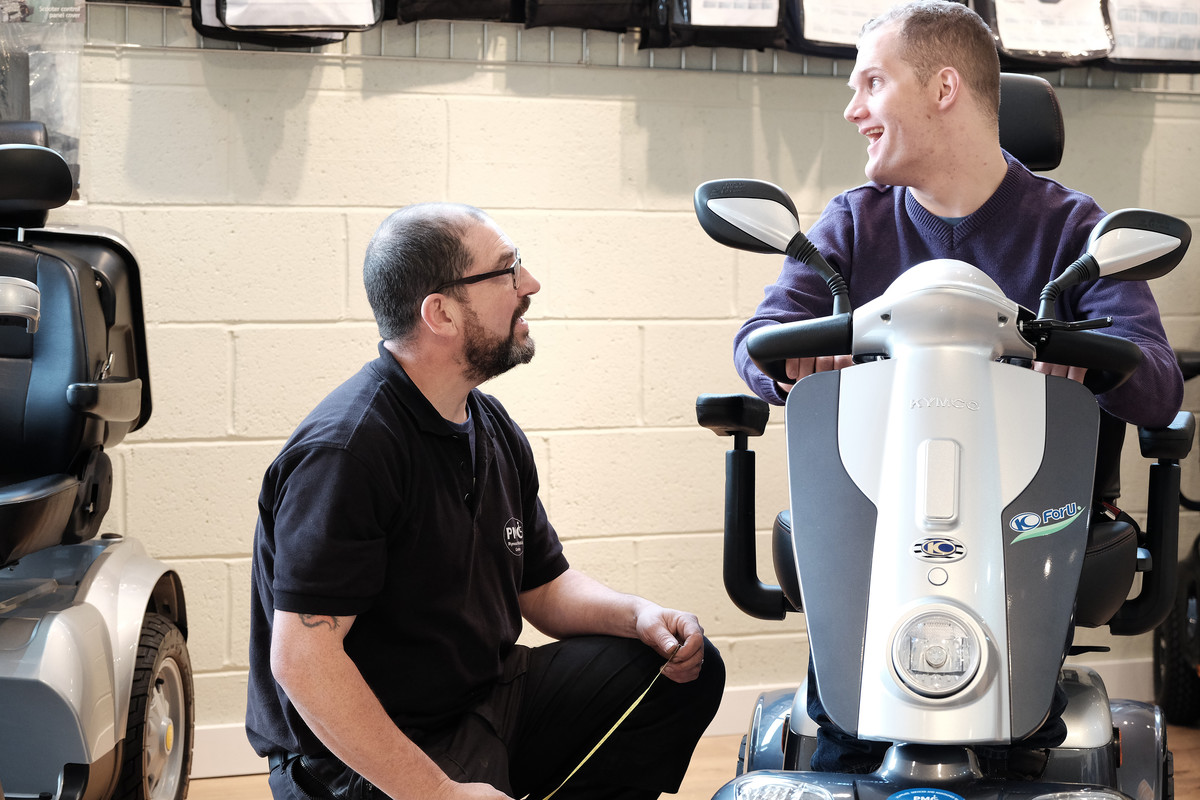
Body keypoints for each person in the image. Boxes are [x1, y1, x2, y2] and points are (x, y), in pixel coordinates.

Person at [732, 0, 1182, 776]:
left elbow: (1157, 378)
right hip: (879, 504)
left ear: (944, 89)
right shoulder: (850, 226)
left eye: (872, 83)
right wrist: (789, 360)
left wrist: (1100, 356)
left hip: (1030, 510)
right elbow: (758, 340)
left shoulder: (1074, 232)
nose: (852, 109)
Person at [246, 202, 725, 800]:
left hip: (484, 702)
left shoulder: (487, 423)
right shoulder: (348, 451)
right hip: (358, 761)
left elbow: (543, 588)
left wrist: (637, 616)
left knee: (681, 674)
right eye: (507, 271)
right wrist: (438, 793)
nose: (530, 285)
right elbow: (302, 662)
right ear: (440, 312)